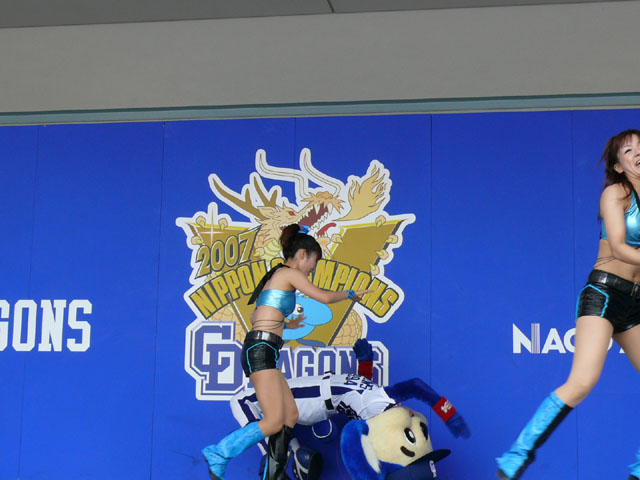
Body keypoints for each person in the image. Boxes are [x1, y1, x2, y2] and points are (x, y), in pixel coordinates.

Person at [496, 129, 640, 480]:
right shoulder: (616, 193)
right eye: (628, 150)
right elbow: (619, 246)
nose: (637, 153)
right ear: (618, 166)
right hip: (604, 294)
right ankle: (516, 454)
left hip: (636, 302)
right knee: (582, 381)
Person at [202, 224, 371, 480]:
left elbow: (258, 315)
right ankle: (219, 453)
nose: (313, 269)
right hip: (260, 350)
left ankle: (274, 475)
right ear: (303, 254)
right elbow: (324, 297)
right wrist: (351, 293)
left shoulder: (278, 276)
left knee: (290, 415)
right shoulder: (289, 273)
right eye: (313, 263)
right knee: (273, 421)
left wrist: (285, 325)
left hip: (265, 349)